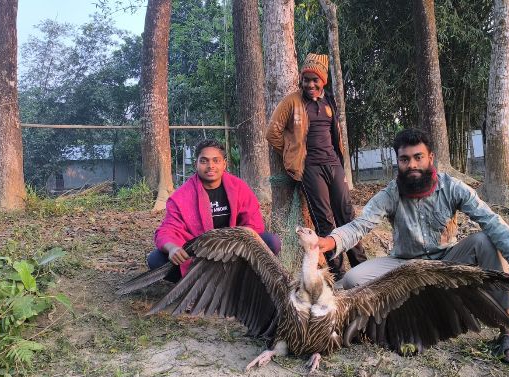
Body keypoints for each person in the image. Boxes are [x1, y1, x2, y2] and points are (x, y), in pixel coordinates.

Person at [317, 128, 509, 364]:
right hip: (404, 265)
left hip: (448, 263)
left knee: (485, 241)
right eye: (405, 159)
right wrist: (329, 241)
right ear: (398, 162)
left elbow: (492, 222)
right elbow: (360, 226)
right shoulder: (391, 193)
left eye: (418, 157)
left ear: (430, 158)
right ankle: (394, 326)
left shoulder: (453, 188)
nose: (412, 165)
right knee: (354, 279)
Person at [265, 53, 366, 279]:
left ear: (323, 81)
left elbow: (335, 135)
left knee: (347, 215)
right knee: (325, 219)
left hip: (333, 164)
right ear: (301, 79)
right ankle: (339, 274)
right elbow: (272, 133)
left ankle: (361, 267)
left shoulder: (329, 101)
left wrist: (340, 164)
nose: (310, 84)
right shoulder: (292, 101)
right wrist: (291, 152)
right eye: (306, 79)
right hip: (310, 168)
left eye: (315, 80)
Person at [148, 139, 281, 282]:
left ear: (224, 163)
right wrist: (173, 248)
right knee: (156, 260)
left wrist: (234, 243)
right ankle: (198, 283)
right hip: (199, 256)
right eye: (204, 161)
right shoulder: (181, 196)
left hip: (235, 252)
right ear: (196, 164)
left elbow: (254, 224)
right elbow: (166, 230)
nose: (210, 166)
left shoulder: (239, 188)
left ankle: (239, 281)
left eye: (216, 161)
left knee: (271, 242)